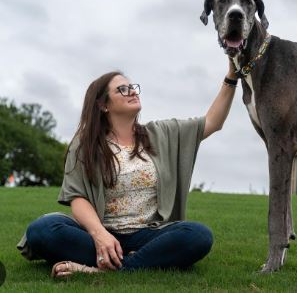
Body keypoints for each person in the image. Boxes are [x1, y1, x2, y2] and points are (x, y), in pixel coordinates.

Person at [19, 59, 239, 278]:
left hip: (148, 234)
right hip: (99, 234)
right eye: (122, 90)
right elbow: (77, 198)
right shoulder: (85, 144)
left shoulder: (161, 133)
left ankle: (102, 270)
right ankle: (134, 259)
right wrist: (100, 235)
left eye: (132, 87)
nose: (132, 91)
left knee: (198, 235)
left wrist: (231, 76)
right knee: (41, 229)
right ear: (103, 105)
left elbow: (212, 122)